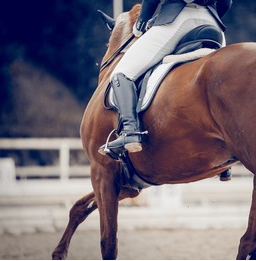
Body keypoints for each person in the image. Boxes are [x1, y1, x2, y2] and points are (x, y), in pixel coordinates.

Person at [99, 0, 233, 157]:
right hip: (213, 24)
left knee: (122, 73)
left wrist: (140, 24)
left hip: (178, 20)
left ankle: (130, 132)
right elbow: (226, 2)